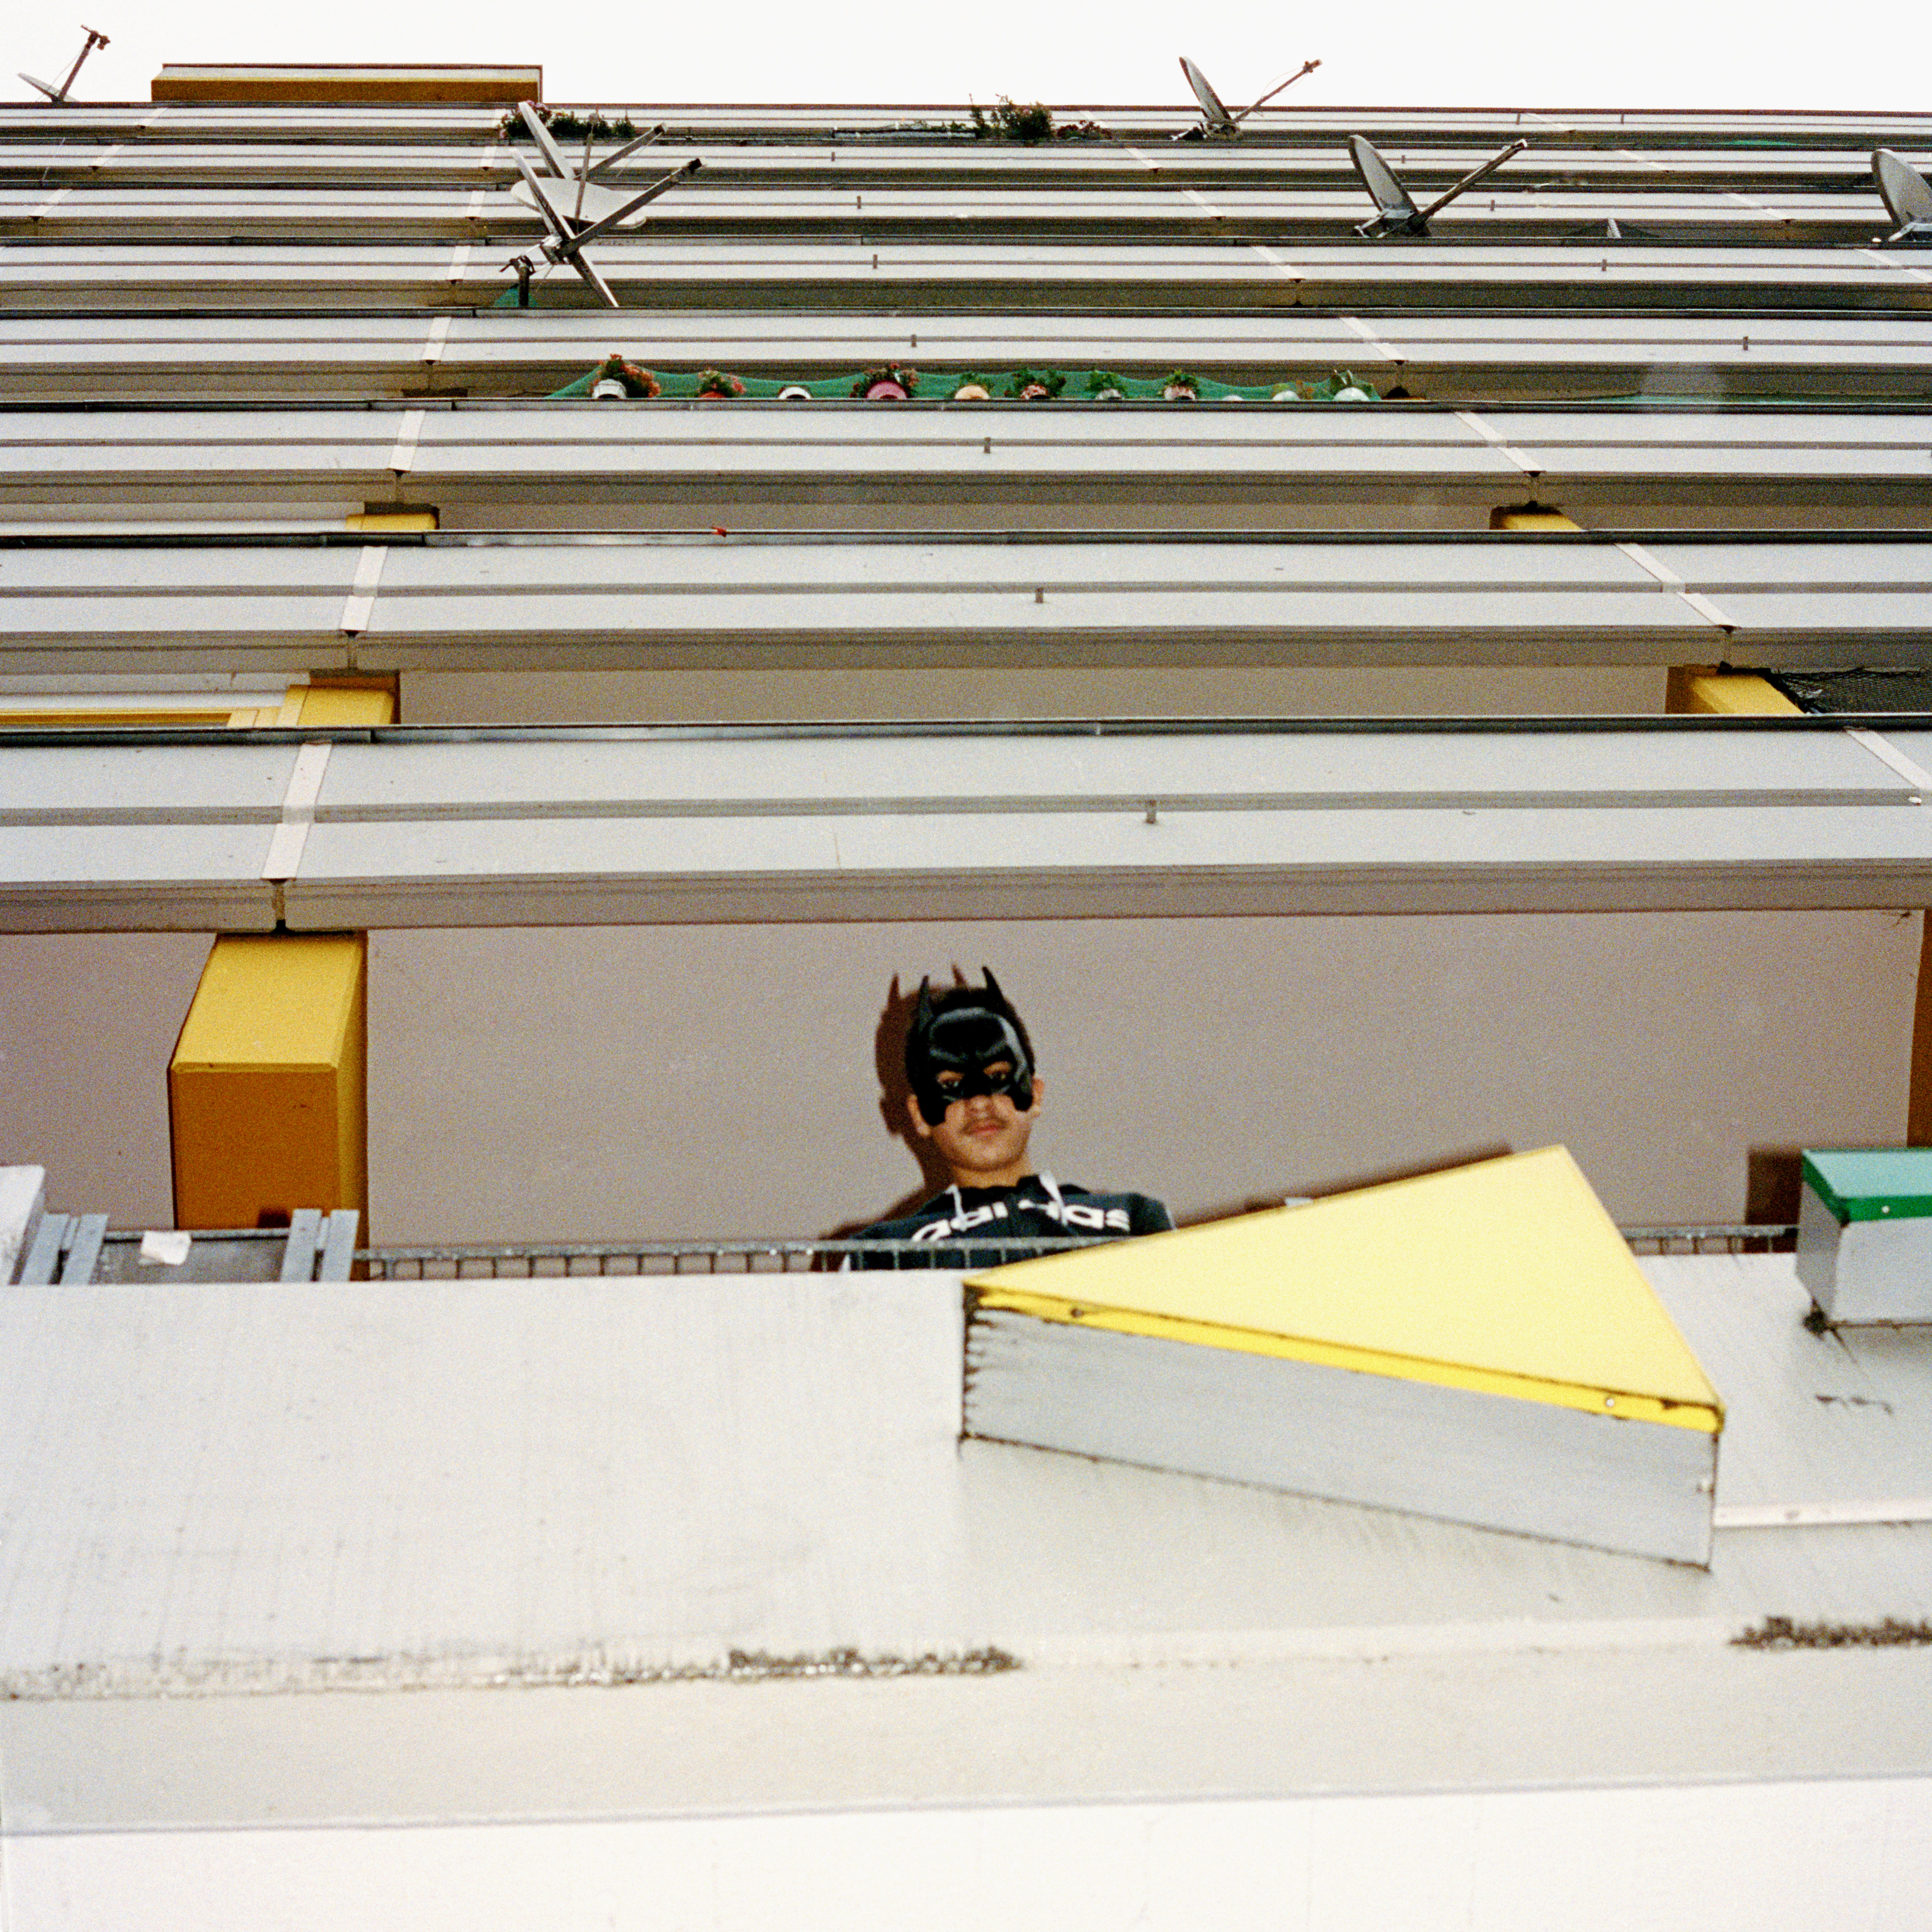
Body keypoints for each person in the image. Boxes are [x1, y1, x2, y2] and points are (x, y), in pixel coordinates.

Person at [849, 970, 1172, 1267]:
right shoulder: (883, 1253)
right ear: (919, 1115)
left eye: (999, 1075)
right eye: (951, 1085)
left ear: (1034, 1094)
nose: (979, 1103)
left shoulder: (1131, 1220)